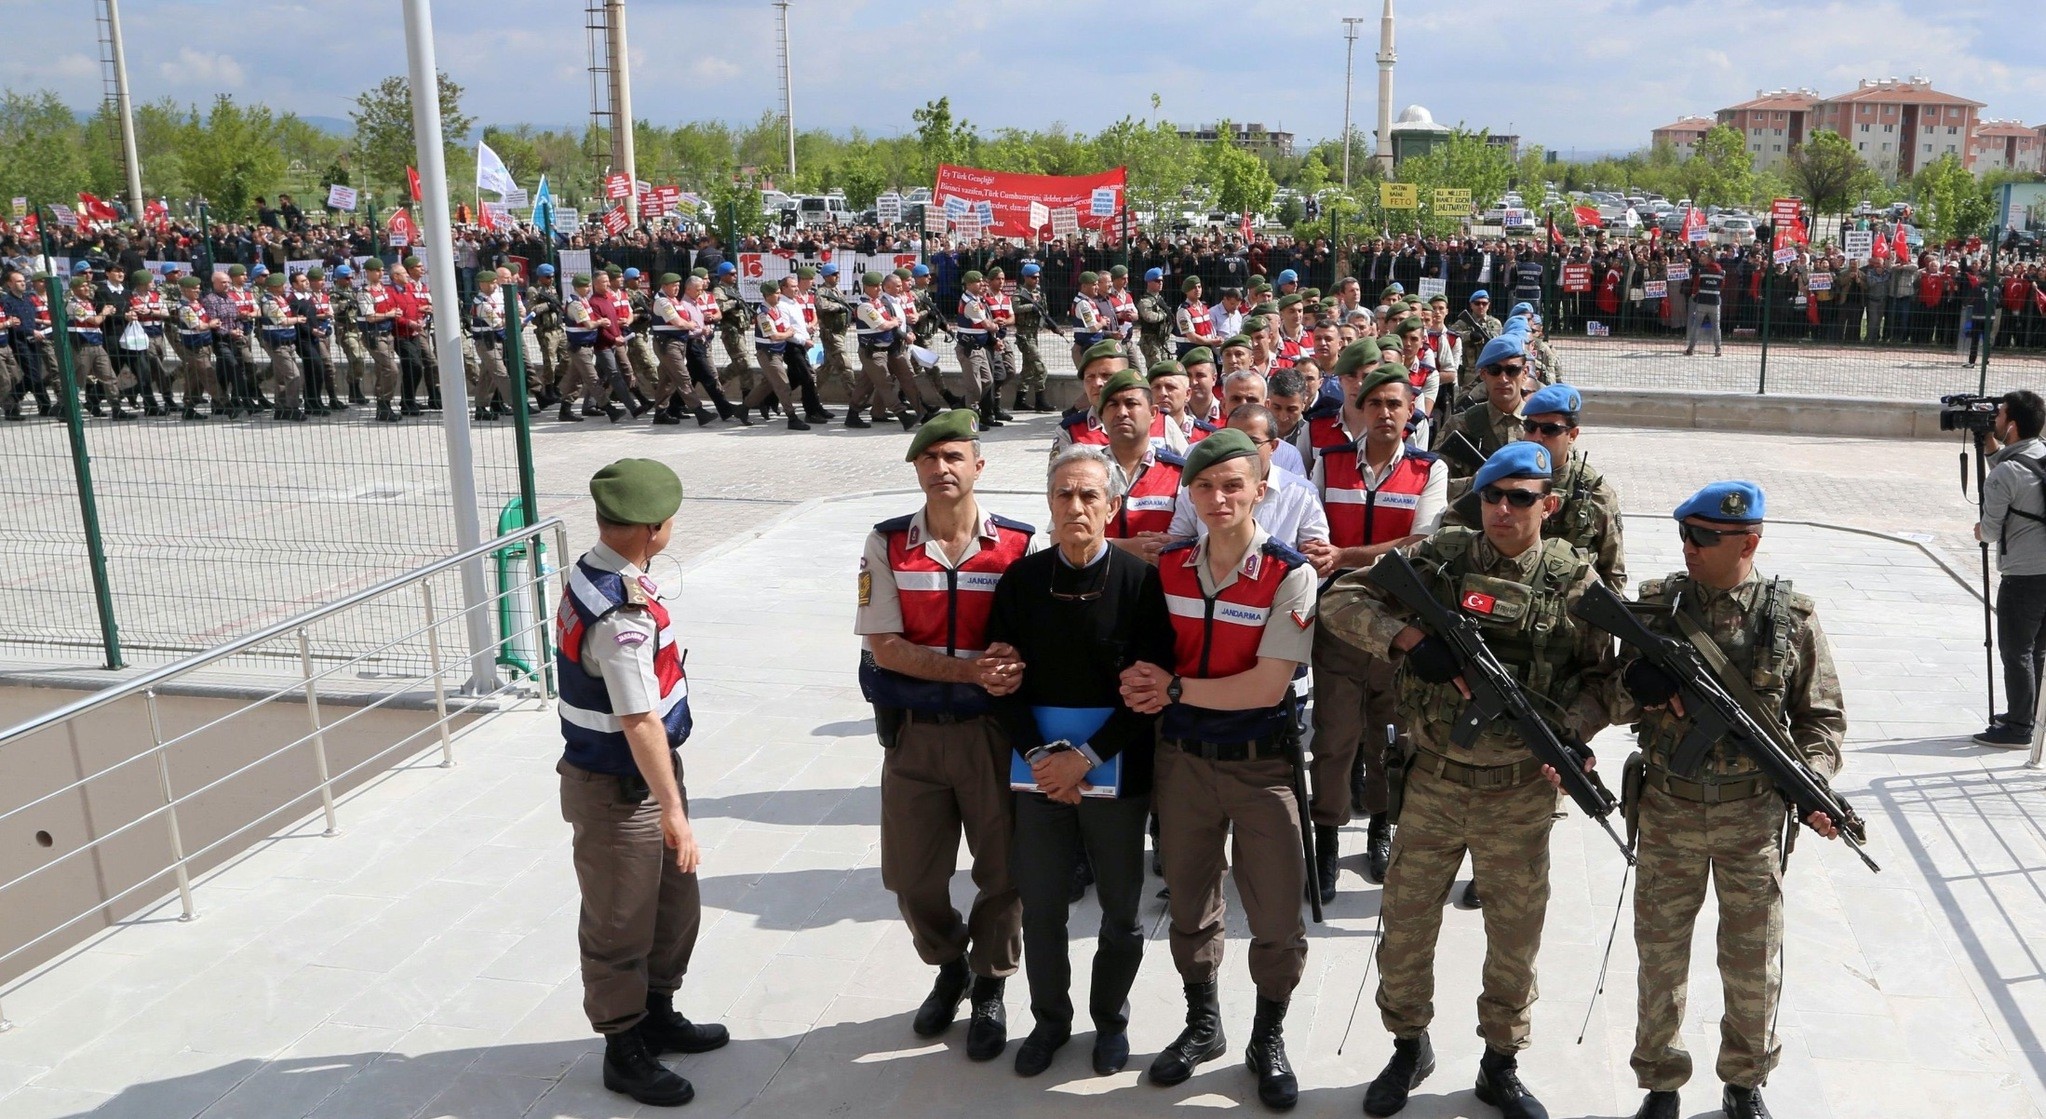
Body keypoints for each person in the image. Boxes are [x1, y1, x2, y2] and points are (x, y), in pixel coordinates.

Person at [1319, 441, 1614, 1119]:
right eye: (1491, 496)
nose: (1502, 510)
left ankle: (1499, 1063)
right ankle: (1407, 1045)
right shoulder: (1442, 558)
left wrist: (1572, 730)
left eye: (1519, 497)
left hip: (1519, 790)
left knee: (1515, 937)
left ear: (1550, 503)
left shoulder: (1576, 580)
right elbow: (1343, 600)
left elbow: (1606, 679)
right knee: (1405, 927)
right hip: (1434, 782)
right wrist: (1406, 640)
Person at [1608, 481, 1845, 1119]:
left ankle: (1744, 1080)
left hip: (1753, 816)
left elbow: (1821, 720)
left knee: (1752, 957)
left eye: (1704, 538)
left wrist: (1816, 779)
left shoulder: (1790, 616)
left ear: (1749, 542)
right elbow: (1611, 695)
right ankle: (1660, 1083)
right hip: (1670, 808)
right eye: (1685, 534)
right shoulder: (1656, 609)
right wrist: (1641, 682)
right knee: (1660, 953)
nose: (1688, 547)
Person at [1119, 429, 1318, 1110]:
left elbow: (1266, 686)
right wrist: (1152, 685)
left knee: (1275, 915)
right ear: (1190, 493)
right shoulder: (1168, 568)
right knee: (1190, 903)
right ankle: (1203, 1023)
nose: (1219, 496)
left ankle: (1269, 1035)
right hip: (1183, 764)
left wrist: (1172, 689)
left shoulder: (1290, 571)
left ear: (1261, 489)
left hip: (1261, 767)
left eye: (1234, 484)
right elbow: (1143, 659)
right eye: (1204, 486)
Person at [985, 445, 1175, 1079]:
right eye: (1064, 494)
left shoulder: (1139, 583)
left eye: (1090, 495)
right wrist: (1044, 760)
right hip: (1036, 770)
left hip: (1115, 772)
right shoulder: (1020, 582)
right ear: (1048, 502)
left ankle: (1110, 1020)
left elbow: (1149, 690)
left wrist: (1086, 760)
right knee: (1041, 908)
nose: (1076, 506)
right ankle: (1049, 1021)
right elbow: (1003, 682)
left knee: (1121, 912)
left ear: (1112, 506)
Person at [856, 410, 1035, 1062]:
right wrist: (969, 669)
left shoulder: (1018, 544)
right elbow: (885, 646)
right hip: (915, 735)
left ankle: (989, 982)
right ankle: (948, 959)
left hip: (990, 734)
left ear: (978, 465)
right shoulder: (887, 544)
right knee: (911, 878)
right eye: (929, 460)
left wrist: (1013, 669)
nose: (941, 469)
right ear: (916, 469)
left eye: (954, 456)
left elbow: (1035, 636)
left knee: (1002, 870)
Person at [557, 458, 729, 1108]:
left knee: (674, 906)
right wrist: (674, 811)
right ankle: (623, 1045)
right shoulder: (620, 615)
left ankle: (658, 1012)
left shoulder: (601, 571)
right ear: (649, 529)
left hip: (639, 779)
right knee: (620, 921)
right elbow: (639, 719)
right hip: (619, 787)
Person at [1305, 360, 1449, 899]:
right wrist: (1336, 562)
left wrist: (1346, 557)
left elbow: (1422, 543)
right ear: (1359, 410)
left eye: (1396, 403)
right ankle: (1324, 838)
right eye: (1375, 403)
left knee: (1390, 735)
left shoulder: (1428, 470)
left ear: (1412, 411)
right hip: (1338, 622)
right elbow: (1312, 531)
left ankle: (1381, 828)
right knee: (1334, 736)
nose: (1386, 412)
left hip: (1398, 626)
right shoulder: (1328, 460)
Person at [1444, 384, 1626, 590]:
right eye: (1530, 427)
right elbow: (1452, 530)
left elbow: (1613, 574)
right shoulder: (1500, 475)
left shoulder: (1595, 493)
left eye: (1550, 429)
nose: (1538, 437)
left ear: (1573, 435)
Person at [1975, 389, 2046, 746]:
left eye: (1999, 415)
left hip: (2023, 576)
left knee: (2015, 650)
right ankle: (2028, 714)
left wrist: (1979, 530)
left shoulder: (2005, 474)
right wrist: (1989, 444)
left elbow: (1989, 529)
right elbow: (2017, 474)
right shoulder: (2041, 454)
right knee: (2037, 649)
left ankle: (2018, 728)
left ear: (2013, 425)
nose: (1995, 419)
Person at [1165, 404, 1330, 551]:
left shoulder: (1302, 493)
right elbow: (1181, 538)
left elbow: (1315, 553)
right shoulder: (1202, 486)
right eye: (1233, 440)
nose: (1240, 450)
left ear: (1273, 446)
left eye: (1252, 442)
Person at [1096, 368, 1185, 562]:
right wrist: (1128, 548)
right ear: (1101, 415)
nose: (1121, 413)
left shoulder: (1180, 474)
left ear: (1153, 413)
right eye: (1112, 405)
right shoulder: (1086, 470)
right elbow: (1061, 539)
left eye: (1131, 404)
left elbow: (1199, 537)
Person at [1437, 333, 1531, 485]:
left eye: (1512, 370)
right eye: (1495, 370)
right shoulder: (1460, 425)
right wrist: (1479, 483)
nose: (1503, 379)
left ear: (1525, 374)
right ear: (1483, 375)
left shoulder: (1540, 426)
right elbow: (1435, 483)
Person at [66, 276, 128, 418]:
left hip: (96, 344)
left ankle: (116, 408)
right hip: (82, 346)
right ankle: (67, 408)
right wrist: (104, 313)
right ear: (74, 289)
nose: (86, 288)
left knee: (109, 376)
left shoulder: (88, 303)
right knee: (78, 379)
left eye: (87, 285)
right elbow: (94, 321)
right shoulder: (73, 305)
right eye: (82, 286)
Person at [1010, 261, 1060, 411]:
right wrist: (1031, 306)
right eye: (1033, 277)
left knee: (1028, 369)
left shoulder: (1039, 294)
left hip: (1034, 334)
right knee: (1040, 368)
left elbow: (1044, 313)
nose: (1036, 280)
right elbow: (1015, 308)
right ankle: (1040, 400)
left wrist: (1052, 326)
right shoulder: (1019, 293)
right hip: (1024, 335)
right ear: (1025, 277)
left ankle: (1019, 400)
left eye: (1037, 277)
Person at [1684, 256, 1724, 357]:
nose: (1703, 260)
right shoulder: (1722, 273)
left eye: (1705, 259)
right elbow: (1722, 286)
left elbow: (1696, 285)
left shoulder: (1701, 271)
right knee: (1716, 327)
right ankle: (1718, 349)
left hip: (1702, 302)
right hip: (1714, 302)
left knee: (1696, 326)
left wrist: (1694, 294)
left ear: (1709, 261)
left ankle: (1690, 349)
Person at [1136, 267, 1172, 372]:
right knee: (1156, 370)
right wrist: (1164, 315)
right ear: (1149, 282)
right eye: (1157, 281)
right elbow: (1149, 317)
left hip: (1161, 339)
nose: (1160, 283)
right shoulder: (1145, 301)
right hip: (1150, 340)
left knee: (1166, 367)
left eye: (1161, 281)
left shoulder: (1159, 299)